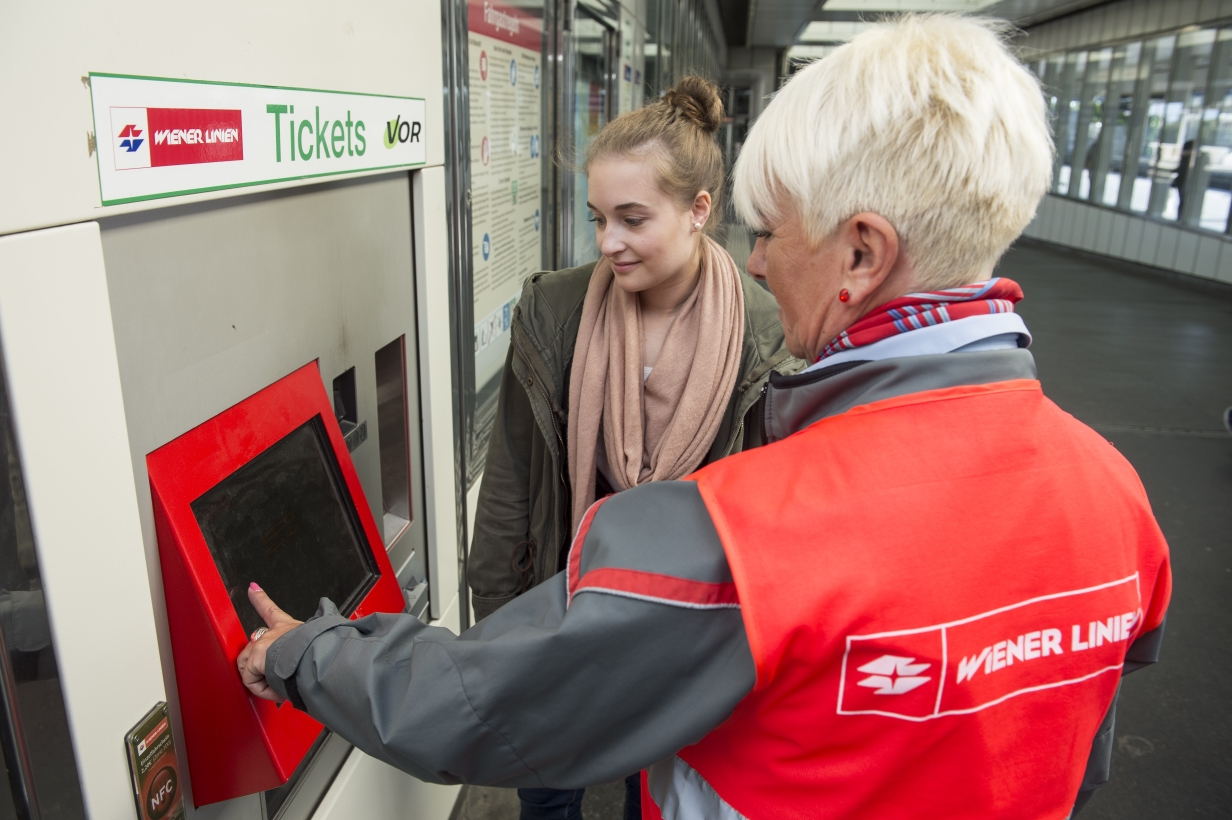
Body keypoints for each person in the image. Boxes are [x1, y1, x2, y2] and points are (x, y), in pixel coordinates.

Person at [238, 15, 1172, 818]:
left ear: (860, 254)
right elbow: (1070, 756)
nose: (757, 261)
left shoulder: (746, 534)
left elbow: (484, 709)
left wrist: (307, 655)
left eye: (769, 230)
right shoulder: (1116, 500)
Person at [467, 75, 798, 819]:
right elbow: (512, 488)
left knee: (654, 799)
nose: (607, 242)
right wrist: (495, 630)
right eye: (597, 218)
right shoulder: (555, 309)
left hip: (691, 639)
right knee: (548, 794)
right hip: (564, 613)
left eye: (632, 218)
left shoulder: (767, 335)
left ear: (698, 212)